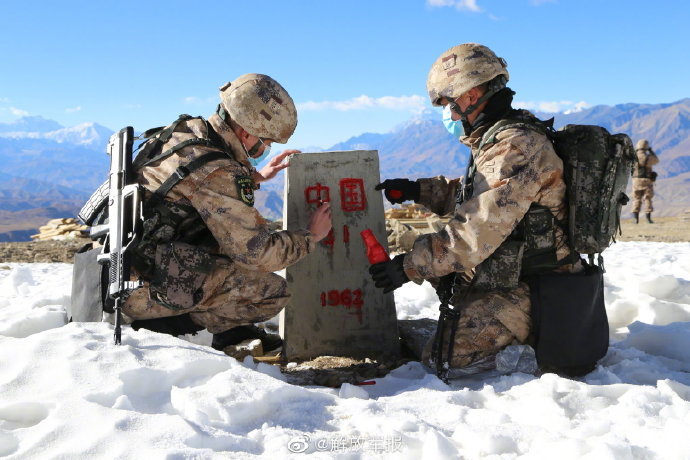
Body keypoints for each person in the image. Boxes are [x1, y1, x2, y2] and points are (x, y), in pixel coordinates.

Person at [371, 43, 581, 375]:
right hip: (516, 274)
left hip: (541, 288)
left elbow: (473, 234)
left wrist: (406, 267)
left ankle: (530, 355)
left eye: (449, 104)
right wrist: (418, 190)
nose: (449, 114)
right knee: (443, 274)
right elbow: (479, 195)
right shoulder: (500, 136)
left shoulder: (514, 147)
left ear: (470, 95)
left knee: (441, 359)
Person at [122, 74, 332, 353]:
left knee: (229, 252)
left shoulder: (187, 131)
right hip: (146, 286)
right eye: (266, 142)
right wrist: (310, 236)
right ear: (247, 133)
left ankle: (213, 322)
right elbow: (258, 253)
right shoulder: (219, 171)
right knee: (272, 292)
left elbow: (191, 187)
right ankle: (171, 327)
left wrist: (254, 176)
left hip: (135, 263)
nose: (265, 149)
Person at [631, 139, 659, 223]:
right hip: (647, 180)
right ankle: (648, 219)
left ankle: (635, 219)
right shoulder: (648, 157)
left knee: (636, 199)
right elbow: (656, 161)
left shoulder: (633, 156)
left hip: (636, 180)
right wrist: (651, 152)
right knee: (647, 198)